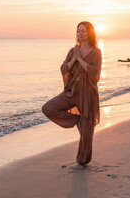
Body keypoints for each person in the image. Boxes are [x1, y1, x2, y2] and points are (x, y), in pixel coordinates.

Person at [42, 21, 102, 170]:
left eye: (83, 31)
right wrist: (74, 58)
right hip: (72, 93)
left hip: (88, 95)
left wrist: (80, 59)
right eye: (78, 31)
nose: (80, 33)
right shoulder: (72, 51)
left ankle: (82, 161)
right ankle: (76, 120)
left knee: (87, 134)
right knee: (48, 108)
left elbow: (95, 74)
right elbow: (64, 69)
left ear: (90, 33)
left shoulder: (96, 52)